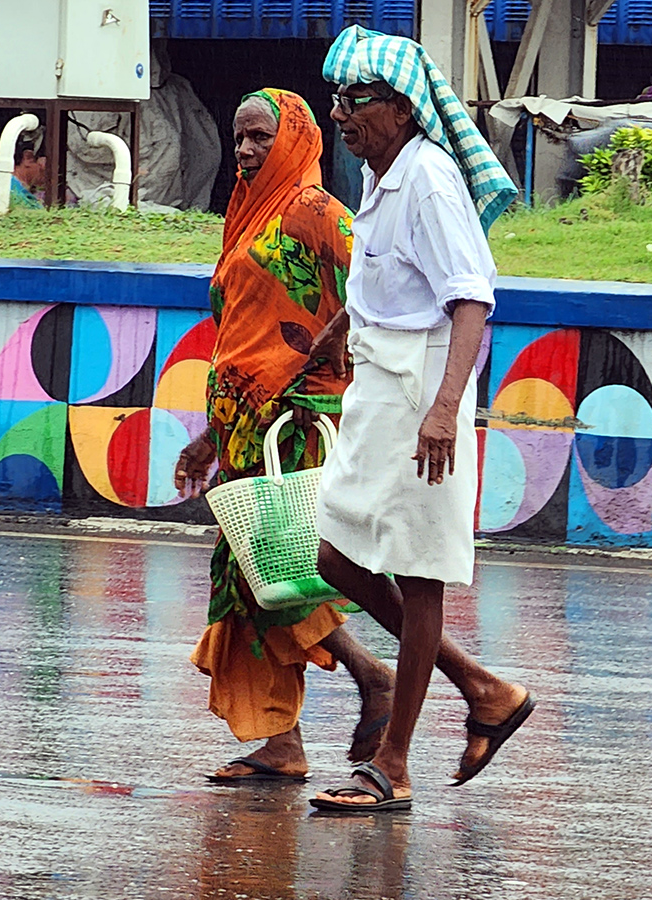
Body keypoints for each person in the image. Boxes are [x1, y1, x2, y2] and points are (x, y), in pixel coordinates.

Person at [309, 26, 533, 812]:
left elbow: (470, 299)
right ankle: (480, 684)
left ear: (403, 109)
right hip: (378, 389)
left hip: (419, 397)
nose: (342, 115)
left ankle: (394, 765)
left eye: (356, 100)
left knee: (416, 568)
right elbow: (388, 282)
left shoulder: (430, 179)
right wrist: (334, 338)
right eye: (337, 99)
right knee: (336, 558)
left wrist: (444, 412)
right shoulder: (384, 174)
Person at [174, 88, 395, 782]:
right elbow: (240, 330)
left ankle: (372, 675)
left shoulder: (312, 210)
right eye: (238, 137)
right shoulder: (247, 215)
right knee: (258, 583)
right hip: (244, 426)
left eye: (260, 137)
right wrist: (212, 435)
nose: (245, 150)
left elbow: (382, 288)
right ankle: (284, 742)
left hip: (297, 420)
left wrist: (331, 361)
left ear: (295, 138)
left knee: (275, 571)